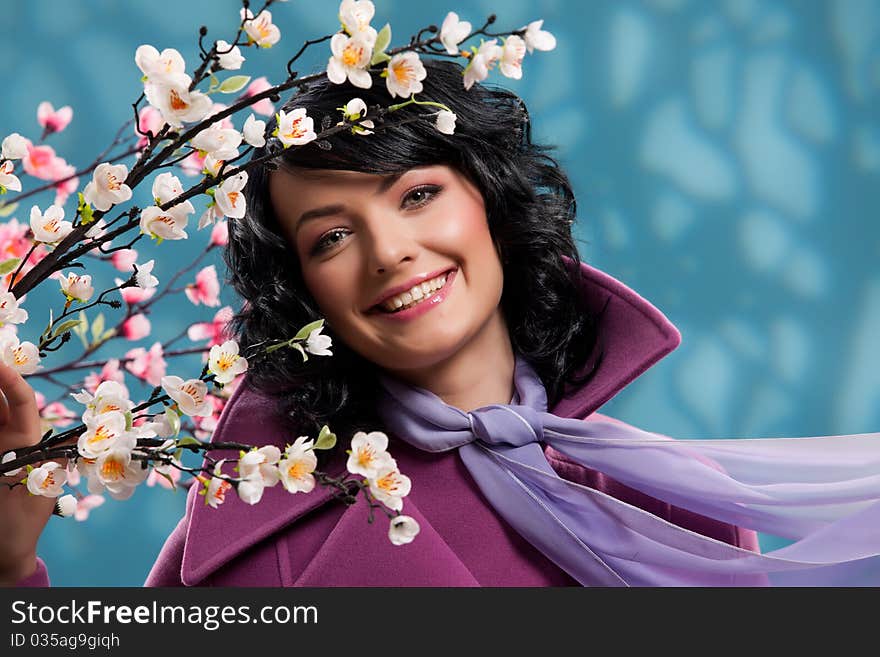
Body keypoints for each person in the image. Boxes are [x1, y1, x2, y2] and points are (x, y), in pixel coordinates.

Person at [4, 61, 879, 587]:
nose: (390, 251)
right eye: (333, 236)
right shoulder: (262, 525)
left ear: (490, 205)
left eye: (418, 194)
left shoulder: (667, 498)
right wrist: (11, 570)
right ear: (305, 293)